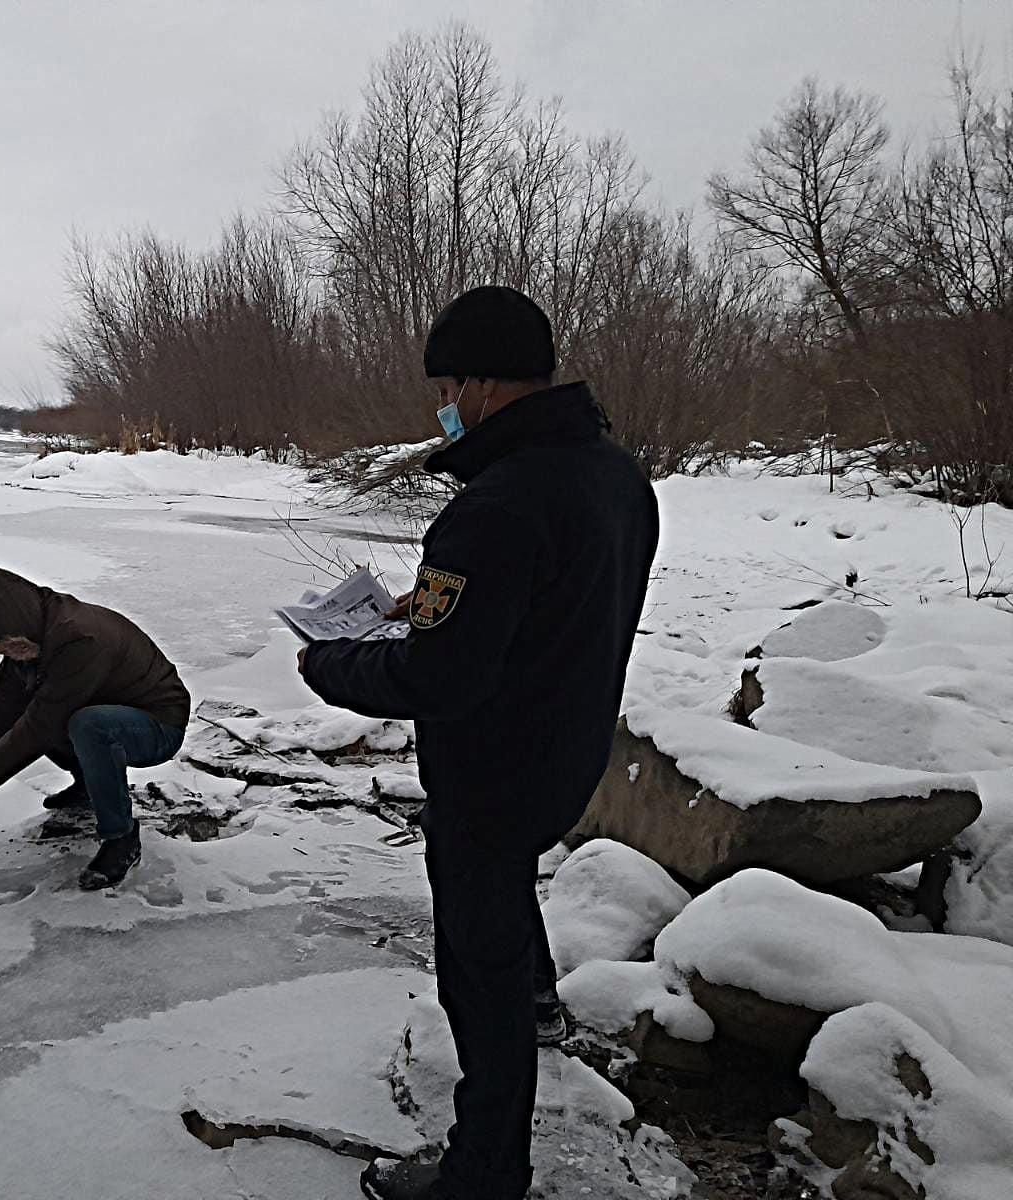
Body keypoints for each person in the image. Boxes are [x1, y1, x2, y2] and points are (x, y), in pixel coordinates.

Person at [297, 286, 659, 1200]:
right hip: (568, 751)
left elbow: (438, 681)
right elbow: (548, 611)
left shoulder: (495, 506)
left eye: (451, 383)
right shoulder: (618, 477)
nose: (444, 404)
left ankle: (484, 1173)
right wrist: (428, 617)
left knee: (477, 970)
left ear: (490, 385)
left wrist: (334, 665)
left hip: (490, 780)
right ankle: (537, 996)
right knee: (505, 925)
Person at [0, 565, 190, 891]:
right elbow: (0, 707)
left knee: (82, 724)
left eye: (2, 647)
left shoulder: (79, 638)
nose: (3, 655)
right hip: (107, 711)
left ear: (11, 629)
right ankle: (88, 785)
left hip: (157, 726)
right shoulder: (32, 635)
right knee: (49, 709)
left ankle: (121, 838)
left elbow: (39, 726)